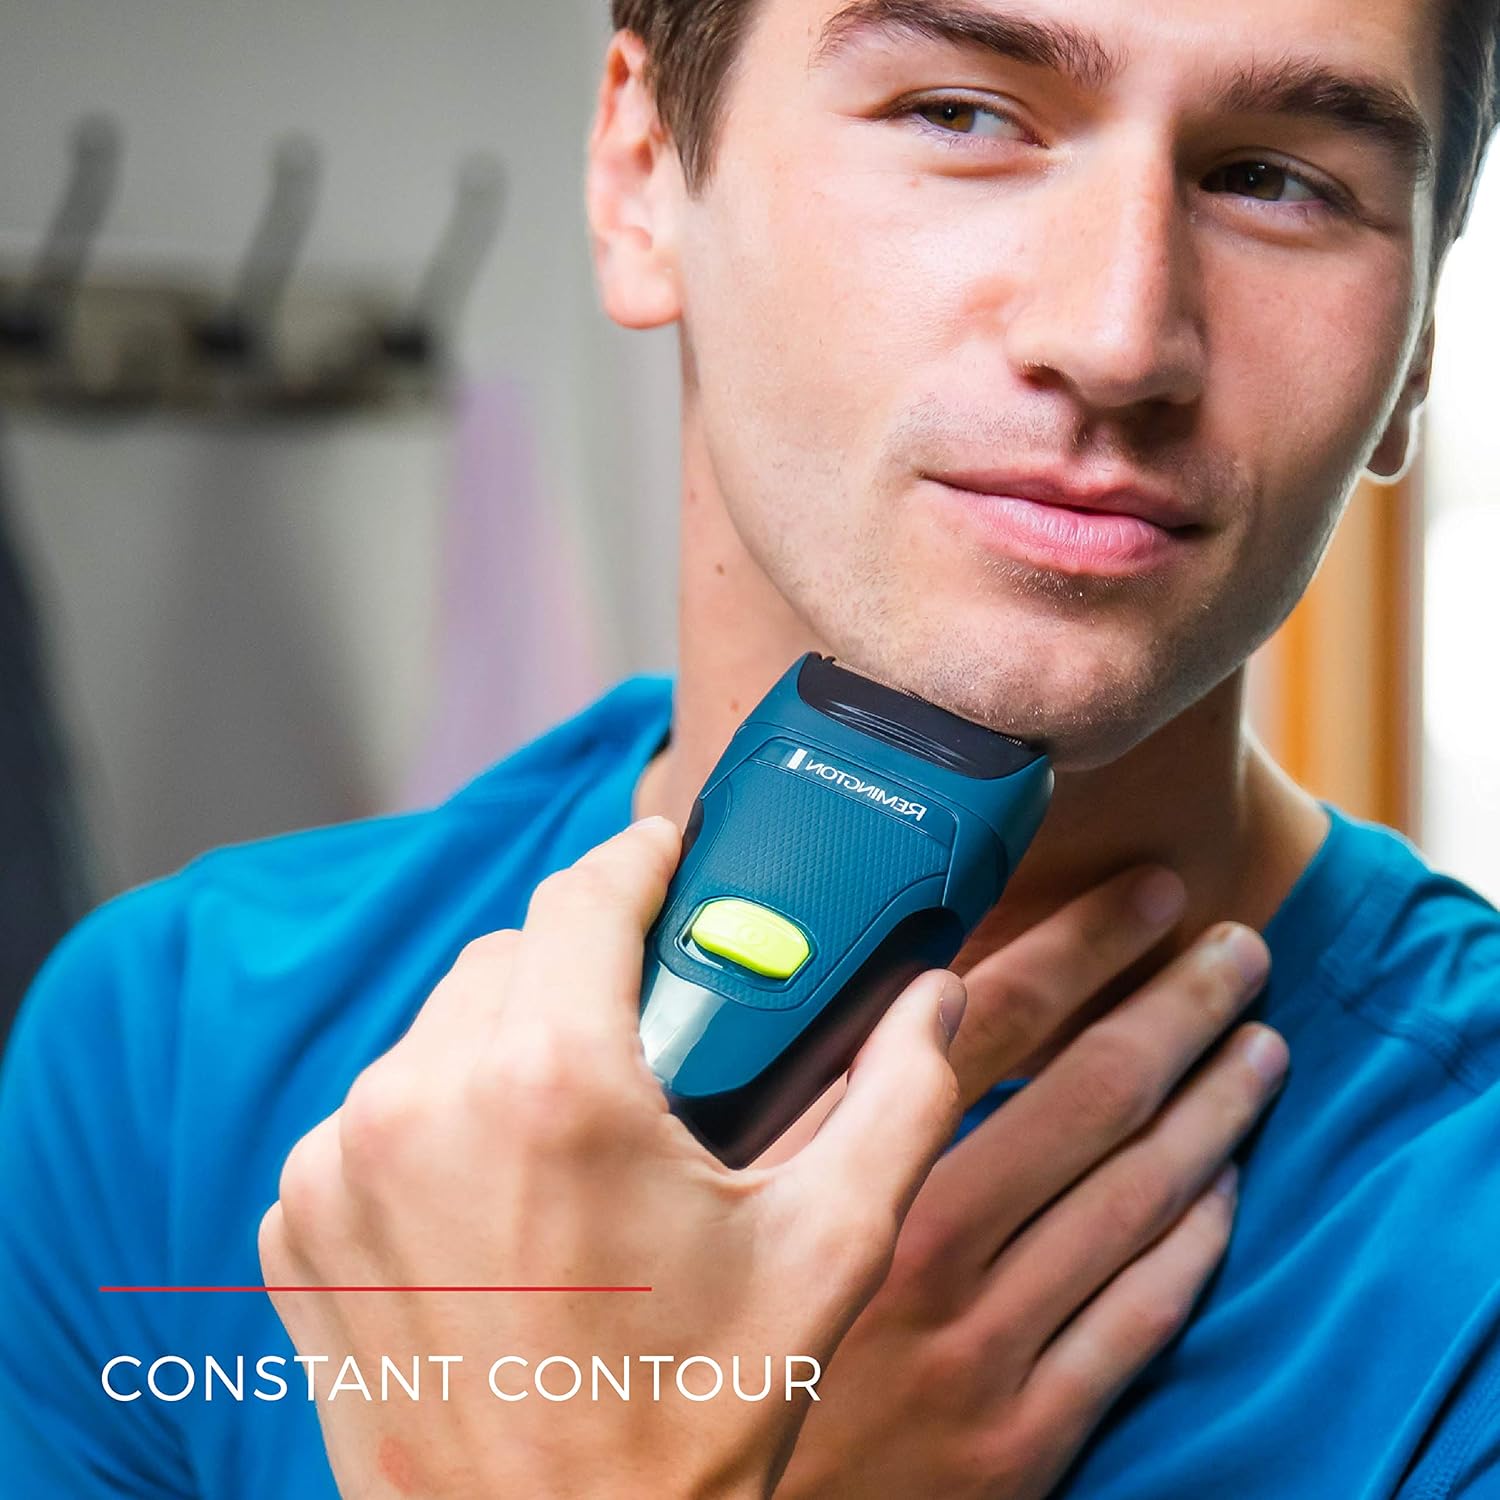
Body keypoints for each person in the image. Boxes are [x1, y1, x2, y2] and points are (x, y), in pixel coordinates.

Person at [1, 0, 1498, 1494]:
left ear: (1423, 325)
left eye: (1275, 179)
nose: (1115, 338)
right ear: (643, 167)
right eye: (960, 116)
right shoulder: (167, 1051)